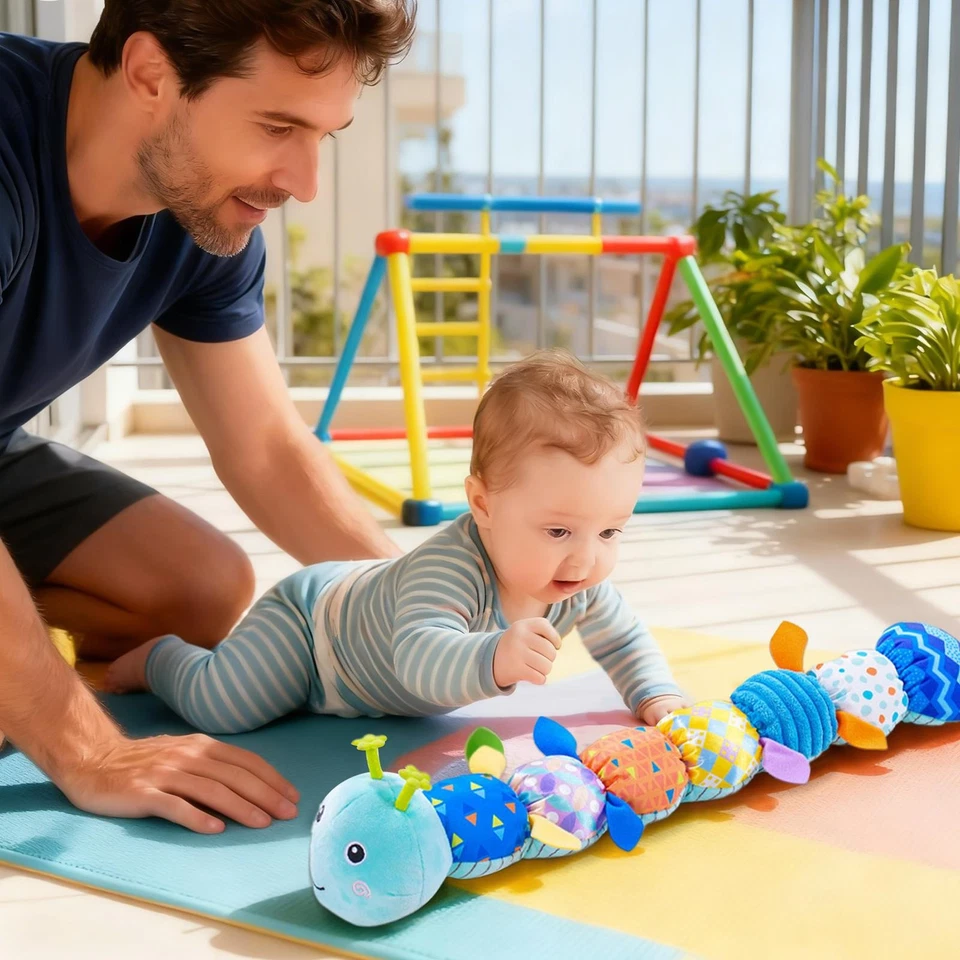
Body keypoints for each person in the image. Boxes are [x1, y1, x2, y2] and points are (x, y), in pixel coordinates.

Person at [0, 1, 416, 834]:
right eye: (277, 127)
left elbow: (266, 448)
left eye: (322, 137)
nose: (304, 183)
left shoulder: (201, 213)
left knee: (202, 589)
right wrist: (87, 748)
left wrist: (421, 612)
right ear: (151, 73)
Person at [105, 351, 689, 732]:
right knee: (224, 707)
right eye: (559, 531)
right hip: (314, 633)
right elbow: (416, 660)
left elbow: (623, 638)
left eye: (610, 531)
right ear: (484, 504)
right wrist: (493, 657)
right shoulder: (451, 568)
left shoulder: (577, 582)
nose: (587, 557)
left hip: (363, 674)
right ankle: (161, 660)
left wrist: (656, 697)